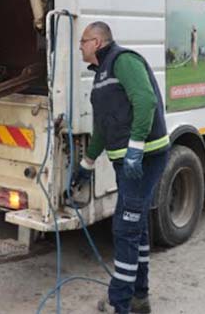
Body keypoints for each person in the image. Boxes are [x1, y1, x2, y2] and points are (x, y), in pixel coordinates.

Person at [75, 21, 170, 314]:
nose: (80, 47)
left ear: (98, 43)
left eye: (83, 41)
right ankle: (139, 298)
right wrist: (86, 163)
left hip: (144, 159)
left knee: (125, 227)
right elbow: (104, 126)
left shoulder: (123, 61)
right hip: (127, 161)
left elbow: (145, 100)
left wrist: (136, 147)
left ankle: (120, 303)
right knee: (136, 226)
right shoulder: (102, 76)